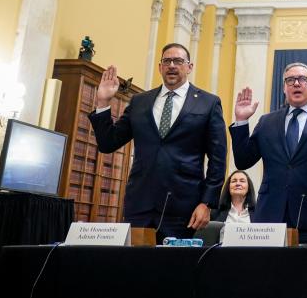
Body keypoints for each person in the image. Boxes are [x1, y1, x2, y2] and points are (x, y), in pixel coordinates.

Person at [88, 43, 227, 241]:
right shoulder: (139, 101)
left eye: (178, 61)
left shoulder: (208, 103)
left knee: (173, 269)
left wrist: (207, 203)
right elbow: (108, 143)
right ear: (160, 67)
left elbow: (218, 159)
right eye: (166, 61)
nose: (172, 65)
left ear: (189, 67)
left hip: (184, 208)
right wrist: (103, 103)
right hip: (140, 205)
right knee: (137, 268)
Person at [230, 62, 307, 246]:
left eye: (302, 79)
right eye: (290, 80)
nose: (296, 83)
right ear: (284, 87)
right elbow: (243, 161)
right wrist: (241, 121)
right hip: (270, 216)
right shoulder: (266, 122)